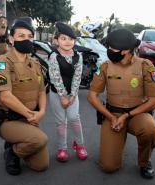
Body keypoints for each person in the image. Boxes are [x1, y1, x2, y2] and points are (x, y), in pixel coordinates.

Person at [87, 28, 155, 179]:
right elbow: (92, 96)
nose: (108, 50)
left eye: (112, 48)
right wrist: (112, 117)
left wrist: (126, 116)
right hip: (112, 114)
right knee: (108, 167)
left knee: (150, 129)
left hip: (137, 114)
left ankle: (144, 161)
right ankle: (116, 144)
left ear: (125, 50)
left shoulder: (145, 66)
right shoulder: (105, 66)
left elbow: (154, 100)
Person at [0, 17, 49, 175]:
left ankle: (19, 146)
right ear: (11, 39)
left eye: (30, 37)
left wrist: (42, 112)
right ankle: (11, 152)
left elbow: (42, 91)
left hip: (30, 118)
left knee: (41, 165)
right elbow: (5, 96)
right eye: (21, 36)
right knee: (40, 139)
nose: (26, 40)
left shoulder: (35, 63)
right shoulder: (2, 62)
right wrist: (30, 115)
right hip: (10, 119)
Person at [48, 22, 88, 162]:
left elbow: (78, 77)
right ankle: (62, 148)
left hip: (72, 95)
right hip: (56, 93)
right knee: (61, 122)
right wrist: (63, 96)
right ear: (56, 40)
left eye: (71, 39)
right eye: (63, 38)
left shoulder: (78, 56)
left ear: (75, 41)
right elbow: (55, 78)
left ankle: (79, 145)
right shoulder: (53, 56)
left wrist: (72, 96)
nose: (67, 42)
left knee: (73, 118)